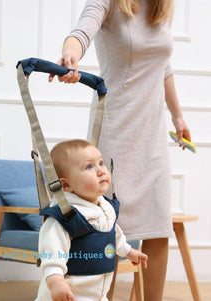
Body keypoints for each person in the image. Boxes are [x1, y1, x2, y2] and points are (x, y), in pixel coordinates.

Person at [48, 1, 192, 300]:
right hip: (116, 127)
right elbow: (81, 32)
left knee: (156, 227)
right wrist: (71, 55)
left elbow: (163, 66)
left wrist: (178, 116)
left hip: (152, 133)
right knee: (107, 225)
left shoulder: (160, 8)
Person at [35, 139, 148, 301]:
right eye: (89, 166)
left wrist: (128, 251)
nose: (101, 170)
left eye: (101, 163)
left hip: (98, 294)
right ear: (66, 185)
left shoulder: (105, 205)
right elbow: (51, 253)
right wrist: (56, 282)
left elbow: (112, 234)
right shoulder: (64, 217)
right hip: (70, 294)